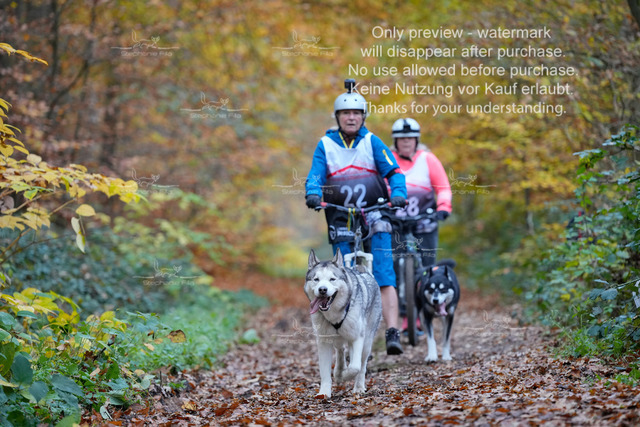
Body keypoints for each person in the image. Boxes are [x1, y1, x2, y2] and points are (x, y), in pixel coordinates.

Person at [305, 79, 407, 355]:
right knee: (343, 275)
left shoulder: (372, 141)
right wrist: (313, 193)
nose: (351, 117)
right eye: (346, 113)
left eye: (356, 113)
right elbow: (315, 175)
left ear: (364, 116)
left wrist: (399, 193)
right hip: (340, 214)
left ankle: (392, 332)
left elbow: (394, 172)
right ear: (337, 117)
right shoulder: (325, 144)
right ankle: (351, 335)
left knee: (383, 273)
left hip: (375, 212)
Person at [390, 118, 452, 268]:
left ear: (416, 140)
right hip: (394, 222)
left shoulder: (428, 159)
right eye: (402, 138)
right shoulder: (388, 159)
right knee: (390, 265)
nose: (406, 142)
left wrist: (443, 207)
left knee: (428, 265)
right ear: (396, 141)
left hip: (424, 220)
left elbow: (443, 187)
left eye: (410, 138)